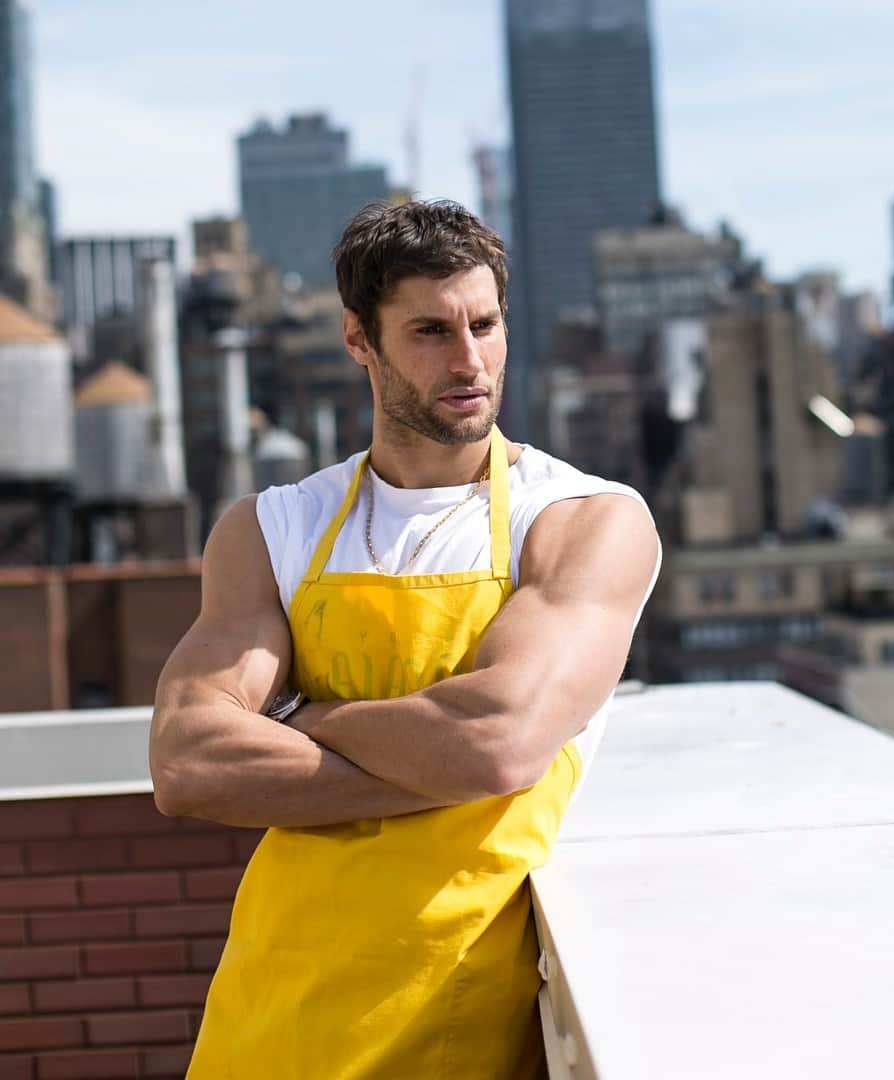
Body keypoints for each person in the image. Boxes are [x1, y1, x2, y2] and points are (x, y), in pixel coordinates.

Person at [150, 199, 660, 1078]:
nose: (470, 361)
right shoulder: (271, 528)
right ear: (359, 339)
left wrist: (299, 713)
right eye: (429, 331)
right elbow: (188, 763)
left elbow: (496, 745)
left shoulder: (580, 520)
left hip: (454, 1014)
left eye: (486, 324)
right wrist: (425, 747)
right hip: (268, 1006)